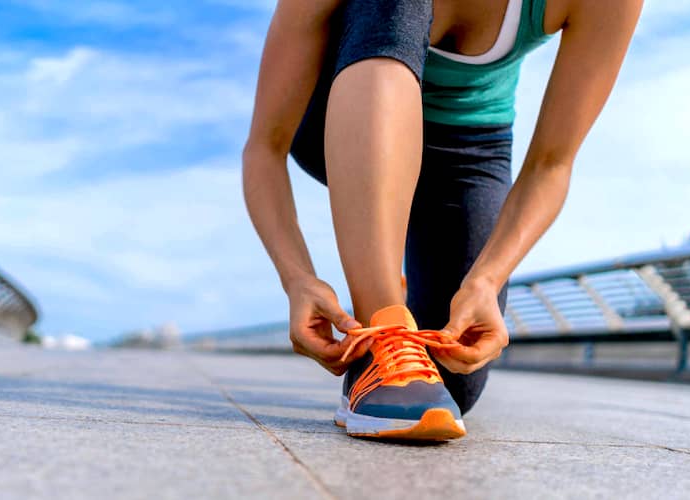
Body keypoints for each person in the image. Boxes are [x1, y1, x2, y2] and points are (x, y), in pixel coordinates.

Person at [242, 0, 642, 440]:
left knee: (454, 381)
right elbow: (264, 148)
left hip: (465, 147)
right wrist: (296, 277)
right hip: (338, 110)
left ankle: (394, 284)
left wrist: (487, 280)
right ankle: (384, 318)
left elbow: (552, 165)